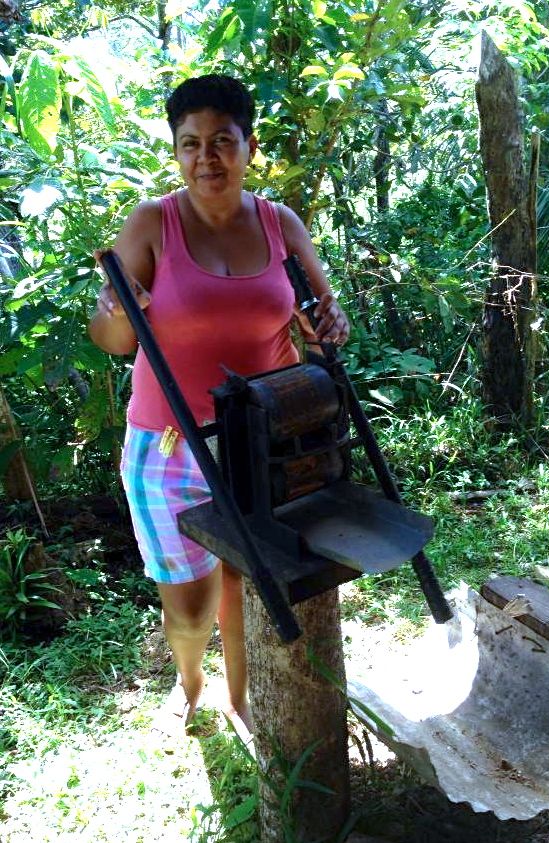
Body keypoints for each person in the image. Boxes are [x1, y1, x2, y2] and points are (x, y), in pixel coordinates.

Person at [88, 74, 349, 735]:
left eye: (222, 141)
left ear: (248, 146)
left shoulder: (280, 223)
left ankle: (242, 701)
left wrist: (329, 324)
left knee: (248, 584)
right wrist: (119, 310)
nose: (207, 157)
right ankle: (191, 680)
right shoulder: (152, 223)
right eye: (191, 143)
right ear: (177, 150)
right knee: (191, 603)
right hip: (169, 442)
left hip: (265, 437)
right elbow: (113, 341)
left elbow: (321, 318)